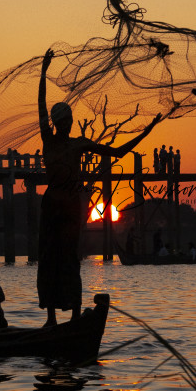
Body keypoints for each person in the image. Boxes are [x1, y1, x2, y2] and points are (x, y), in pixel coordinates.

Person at [38, 48, 162, 326]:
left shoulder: (79, 143)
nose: (65, 124)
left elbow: (116, 153)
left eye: (66, 120)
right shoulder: (49, 139)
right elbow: (41, 104)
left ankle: (71, 315)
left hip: (70, 204)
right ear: (58, 123)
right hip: (54, 204)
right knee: (48, 256)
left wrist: (147, 131)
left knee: (70, 256)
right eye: (62, 120)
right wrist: (44, 72)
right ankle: (50, 319)